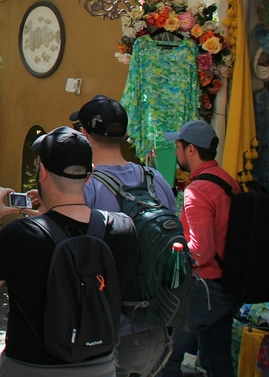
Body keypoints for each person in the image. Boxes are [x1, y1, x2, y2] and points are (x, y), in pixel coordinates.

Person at [0, 126, 138, 377]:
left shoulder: (22, 235)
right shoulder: (122, 229)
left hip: (30, 368)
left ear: (42, 172)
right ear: (89, 176)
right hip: (101, 366)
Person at [75, 96, 177, 377]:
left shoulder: (86, 185)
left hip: (101, 330)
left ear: (85, 134)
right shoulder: (156, 180)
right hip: (152, 324)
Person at [160, 120, 241, 377]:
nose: (175, 152)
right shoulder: (228, 181)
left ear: (191, 150)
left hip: (205, 289)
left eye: (178, 146)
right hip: (230, 285)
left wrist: (171, 250)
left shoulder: (197, 191)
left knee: (164, 358)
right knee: (217, 362)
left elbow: (200, 252)